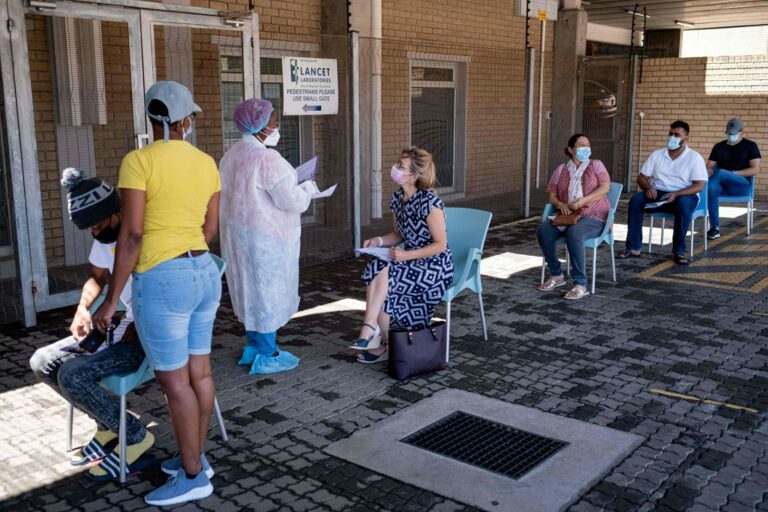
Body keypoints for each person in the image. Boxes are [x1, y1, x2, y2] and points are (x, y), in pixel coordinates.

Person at [92, 81, 221, 507]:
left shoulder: (138, 161)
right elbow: (209, 230)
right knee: (200, 374)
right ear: (185, 120)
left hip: (163, 281)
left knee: (175, 382)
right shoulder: (206, 162)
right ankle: (196, 459)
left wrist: (111, 299)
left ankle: (192, 476)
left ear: (152, 118)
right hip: (204, 272)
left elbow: (132, 235)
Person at [29, 169, 154, 481]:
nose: (93, 231)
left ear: (115, 211)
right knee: (42, 361)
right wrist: (83, 309)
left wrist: (141, 322)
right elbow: (97, 278)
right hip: (123, 326)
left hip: (150, 335)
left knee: (73, 374)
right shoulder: (103, 240)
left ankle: (135, 436)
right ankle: (109, 426)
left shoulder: (146, 236)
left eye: (97, 224)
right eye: (88, 228)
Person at [219, 98, 316, 374]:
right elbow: (291, 200)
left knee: (247, 291)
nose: (276, 126)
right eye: (273, 121)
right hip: (266, 240)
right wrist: (307, 189)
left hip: (238, 237)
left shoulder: (231, 155)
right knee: (266, 294)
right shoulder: (267, 159)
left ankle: (254, 345)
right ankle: (267, 352)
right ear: (259, 126)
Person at [351, 147, 453, 363]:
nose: (395, 168)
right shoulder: (398, 198)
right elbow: (398, 234)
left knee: (384, 277)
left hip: (434, 266)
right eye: (397, 163)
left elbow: (440, 245)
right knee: (376, 267)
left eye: (401, 166)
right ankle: (381, 337)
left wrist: (407, 256)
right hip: (410, 260)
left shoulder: (430, 202)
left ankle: (374, 333)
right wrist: (378, 241)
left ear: (413, 175)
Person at [619, 120, 708, 265]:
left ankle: (679, 252)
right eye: (670, 134)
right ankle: (633, 248)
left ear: (686, 138)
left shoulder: (694, 158)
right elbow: (642, 178)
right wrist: (648, 188)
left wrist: (677, 194)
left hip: (683, 195)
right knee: (636, 200)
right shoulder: (657, 155)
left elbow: (699, 186)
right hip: (658, 194)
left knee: (684, 204)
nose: (672, 137)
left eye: (677, 135)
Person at [537, 134, 611, 300]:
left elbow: (605, 187)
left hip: (594, 215)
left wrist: (583, 201)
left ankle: (580, 284)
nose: (586, 148)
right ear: (571, 149)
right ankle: (556, 274)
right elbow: (552, 195)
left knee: (575, 233)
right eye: (581, 145)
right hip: (568, 215)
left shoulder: (596, 165)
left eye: (588, 145)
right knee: (543, 231)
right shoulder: (561, 170)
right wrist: (560, 204)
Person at [706, 117, 761, 239]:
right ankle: (715, 228)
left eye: (733, 134)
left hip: (741, 185)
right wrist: (709, 171)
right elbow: (709, 167)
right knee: (712, 188)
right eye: (729, 133)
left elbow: (755, 169)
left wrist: (733, 174)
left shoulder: (750, 146)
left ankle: (698, 196)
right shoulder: (719, 147)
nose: (730, 136)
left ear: (741, 132)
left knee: (720, 173)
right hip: (722, 186)